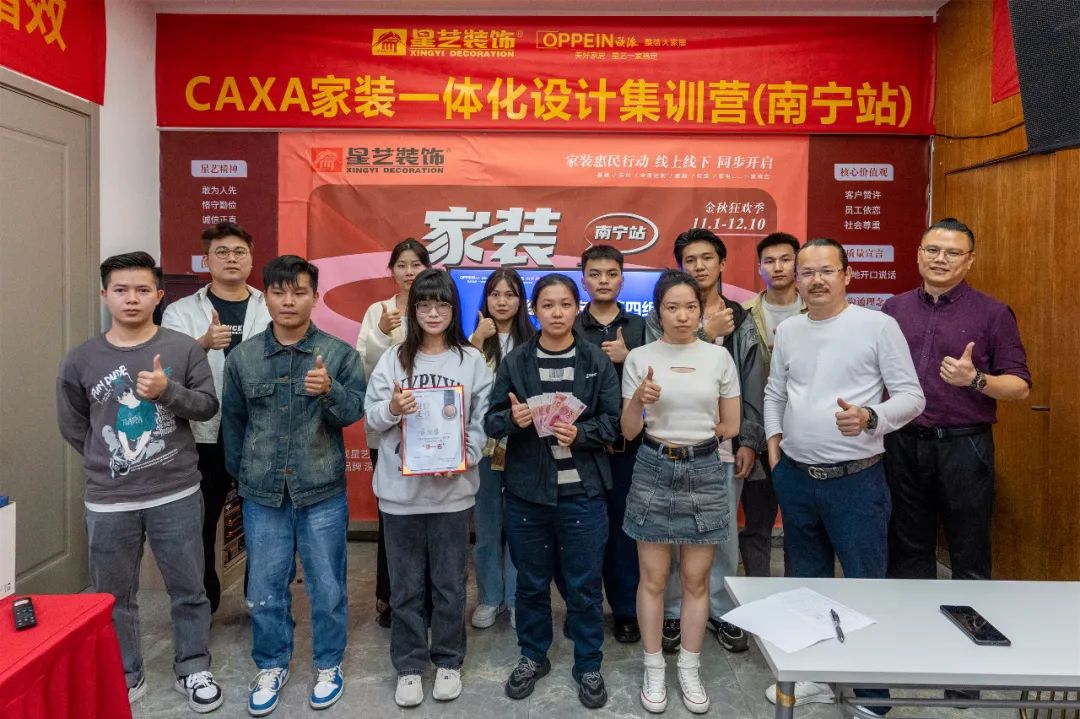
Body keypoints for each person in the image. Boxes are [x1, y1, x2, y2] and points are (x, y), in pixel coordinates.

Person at [56, 251, 224, 713]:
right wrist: (109, 461)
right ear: (105, 296)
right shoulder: (82, 359)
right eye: (121, 290)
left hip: (177, 492)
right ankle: (126, 673)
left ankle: (193, 665)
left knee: (189, 588)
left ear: (158, 295)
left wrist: (167, 392)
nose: (132, 298)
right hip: (110, 499)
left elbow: (207, 407)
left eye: (142, 289)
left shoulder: (183, 348)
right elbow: (74, 424)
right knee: (113, 596)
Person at [763, 238, 925, 712]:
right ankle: (815, 676)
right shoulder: (790, 330)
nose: (816, 280)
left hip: (856, 481)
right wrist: (774, 446)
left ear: (847, 274)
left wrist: (871, 417)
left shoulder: (877, 326)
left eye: (827, 270)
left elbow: (912, 397)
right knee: (806, 585)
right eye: (807, 272)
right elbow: (775, 391)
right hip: (796, 477)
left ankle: (872, 694)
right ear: (797, 279)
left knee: (863, 587)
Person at [882, 219, 1030, 702]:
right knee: (908, 553)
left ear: (969, 261)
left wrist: (976, 380)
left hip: (964, 447)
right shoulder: (894, 309)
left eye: (952, 253)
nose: (940, 259)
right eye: (932, 250)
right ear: (918, 254)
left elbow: (1019, 386)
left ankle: (965, 673)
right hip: (903, 443)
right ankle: (915, 651)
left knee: (968, 555)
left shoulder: (992, 312)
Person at [222, 255, 366, 716]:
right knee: (265, 586)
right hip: (262, 494)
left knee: (328, 587)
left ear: (314, 297)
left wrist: (329, 391)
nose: (288, 301)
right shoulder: (243, 357)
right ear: (265, 297)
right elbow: (234, 425)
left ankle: (327, 664)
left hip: (321, 490)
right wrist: (245, 478)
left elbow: (353, 413)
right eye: (279, 292)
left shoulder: (338, 354)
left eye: (299, 292)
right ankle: (271, 664)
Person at [484, 274, 621, 710]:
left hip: (583, 494)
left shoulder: (595, 360)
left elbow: (614, 423)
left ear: (576, 308)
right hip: (528, 493)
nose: (557, 313)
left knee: (584, 586)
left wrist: (581, 433)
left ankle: (589, 663)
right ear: (535, 310)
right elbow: (490, 420)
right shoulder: (517, 362)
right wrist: (513, 419)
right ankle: (532, 655)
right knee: (530, 583)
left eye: (565, 304)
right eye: (548, 305)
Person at [365, 268, 492, 707]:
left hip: (452, 494)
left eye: (442, 304)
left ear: (454, 309)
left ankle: (449, 660)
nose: (433, 313)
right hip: (400, 496)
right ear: (412, 310)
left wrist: (463, 457)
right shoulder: (393, 359)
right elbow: (371, 418)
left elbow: (482, 421)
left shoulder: (470, 361)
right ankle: (409, 665)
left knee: (450, 585)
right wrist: (392, 407)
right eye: (424, 305)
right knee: (405, 588)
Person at [622, 270, 742, 715]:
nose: (682, 315)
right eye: (672, 307)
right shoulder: (640, 358)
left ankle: (689, 668)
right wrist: (640, 400)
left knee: (696, 580)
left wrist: (699, 435)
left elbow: (731, 424)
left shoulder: (718, 358)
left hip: (705, 469)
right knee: (653, 579)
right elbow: (628, 430)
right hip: (653, 466)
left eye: (691, 307)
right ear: (658, 311)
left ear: (701, 309)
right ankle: (654, 667)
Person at [645, 228, 764, 657]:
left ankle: (721, 610)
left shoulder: (742, 318)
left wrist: (749, 439)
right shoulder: (657, 319)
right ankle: (674, 610)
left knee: (721, 534)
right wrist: (705, 333)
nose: (699, 266)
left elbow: (753, 383)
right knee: (671, 533)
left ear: (722, 263)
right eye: (690, 260)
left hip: (725, 445)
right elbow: (652, 373)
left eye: (707, 258)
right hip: (671, 444)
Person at [161, 221, 271, 613]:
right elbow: (166, 371)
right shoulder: (180, 311)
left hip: (260, 432)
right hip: (202, 435)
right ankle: (204, 602)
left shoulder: (270, 304)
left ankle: (261, 600)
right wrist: (203, 344)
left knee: (264, 522)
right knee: (200, 522)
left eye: (239, 251)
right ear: (206, 260)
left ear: (251, 258)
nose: (231, 258)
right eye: (221, 252)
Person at [355, 238, 432, 628]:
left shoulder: (436, 307)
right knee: (392, 517)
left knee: (431, 517)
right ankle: (389, 597)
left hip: (432, 435)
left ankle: (429, 597)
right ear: (391, 270)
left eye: (416, 264)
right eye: (402, 265)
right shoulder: (377, 311)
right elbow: (363, 370)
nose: (409, 271)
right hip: (389, 431)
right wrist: (383, 335)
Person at [573, 245, 647, 644]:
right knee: (580, 535)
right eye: (595, 273)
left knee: (624, 534)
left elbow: (660, 376)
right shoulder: (569, 324)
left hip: (628, 450)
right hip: (580, 447)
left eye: (611, 273)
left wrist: (628, 357)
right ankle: (581, 610)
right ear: (583, 279)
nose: (603, 280)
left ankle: (624, 611)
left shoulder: (641, 326)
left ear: (622, 278)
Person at [467, 268, 533, 630]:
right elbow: (461, 386)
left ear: (521, 301)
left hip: (524, 447)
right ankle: (490, 597)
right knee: (487, 527)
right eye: (495, 294)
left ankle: (518, 598)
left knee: (522, 527)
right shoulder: (472, 341)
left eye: (510, 294)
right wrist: (477, 340)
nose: (502, 301)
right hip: (484, 448)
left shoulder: (535, 341)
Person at [741, 232, 804, 578]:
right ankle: (757, 595)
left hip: (804, 435)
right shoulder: (743, 314)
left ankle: (797, 596)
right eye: (769, 261)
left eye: (785, 259)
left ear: (798, 263)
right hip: (759, 433)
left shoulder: (817, 310)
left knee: (801, 525)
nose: (777, 267)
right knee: (757, 523)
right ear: (759, 267)